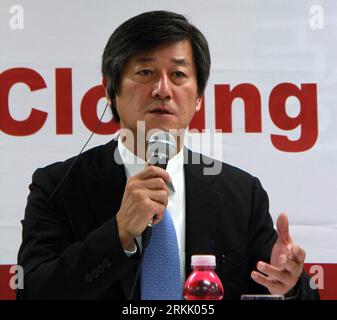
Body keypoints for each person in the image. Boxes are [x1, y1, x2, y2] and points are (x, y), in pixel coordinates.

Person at [17, 10, 319, 300]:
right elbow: (32, 291)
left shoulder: (242, 195)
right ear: (110, 89)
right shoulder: (58, 186)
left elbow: (294, 290)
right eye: (145, 72)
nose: (162, 89)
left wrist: (289, 287)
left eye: (178, 74)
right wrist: (119, 233)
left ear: (199, 97)